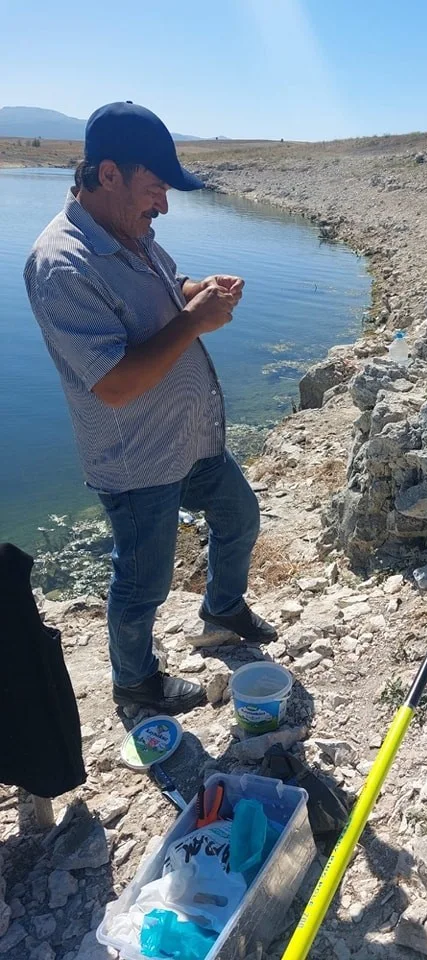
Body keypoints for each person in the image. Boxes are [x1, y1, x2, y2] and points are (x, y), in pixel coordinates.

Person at [24, 102, 277, 715]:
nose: (163, 204)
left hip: (192, 439)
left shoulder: (131, 233)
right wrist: (193, 323)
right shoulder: (62, 264)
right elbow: (112, 384)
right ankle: (136, 685)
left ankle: (221, 609)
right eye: (155, 188)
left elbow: (167, 285)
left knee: (240, 517)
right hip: (137, 459)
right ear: (108, 174)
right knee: (142, 586)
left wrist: (196, 291)